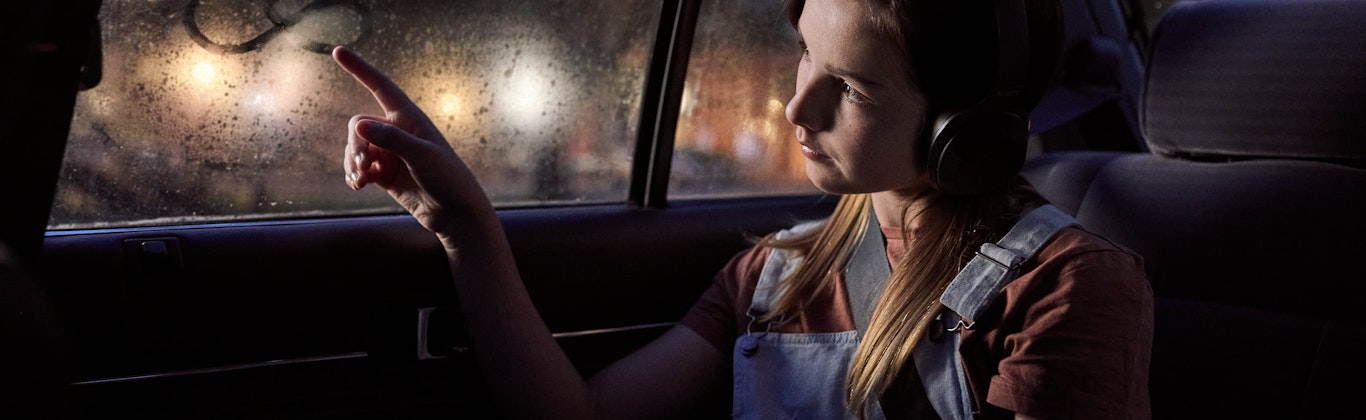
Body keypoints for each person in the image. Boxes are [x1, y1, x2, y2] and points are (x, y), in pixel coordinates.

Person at [332, 0, 1153, 417]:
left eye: (854, 87)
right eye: (805, 55)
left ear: (963, 128)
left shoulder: (1068, 290)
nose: (797, 109)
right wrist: (465, 227)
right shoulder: (775, 274)